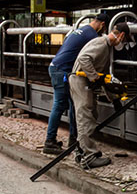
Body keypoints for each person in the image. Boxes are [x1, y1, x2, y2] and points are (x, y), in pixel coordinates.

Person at [68, 22, 134, 169]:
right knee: (85, 116)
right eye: (124, 40)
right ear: (121, 35)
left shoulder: (106, 48)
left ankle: (81, 150)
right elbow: (83, 59)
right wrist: (93, 76)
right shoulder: (101, 43)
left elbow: (104, 77)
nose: (123, 44)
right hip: (80, 80)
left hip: (85, 82)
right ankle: (89, 157)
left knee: (91, 114)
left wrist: (114, 99)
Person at [42, 12, 107, 155]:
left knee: (73, 104)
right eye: (104, 29)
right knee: (60, 105)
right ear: (102, 25)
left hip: (58, 67)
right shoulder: (92, 36)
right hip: (62, 71)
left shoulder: (82, 29)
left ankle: (74, 138)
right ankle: (50, 141)